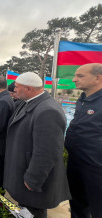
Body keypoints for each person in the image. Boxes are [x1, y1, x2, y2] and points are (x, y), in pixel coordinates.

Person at [4, 72, 70, 218]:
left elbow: (48, 151)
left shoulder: (48, 110)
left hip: (32, 180)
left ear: (29, 89)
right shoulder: (29, 101)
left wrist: (33, 179)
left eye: (17, 87)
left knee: (33, 213)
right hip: (23, 171)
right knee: (24, 211)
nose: (14, 89)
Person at [65, 63, 102, 218]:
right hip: (76, 163)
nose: (74, 79)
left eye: (80, 76)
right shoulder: (82, 99)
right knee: (77, 205)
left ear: (97, 78)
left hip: (96, 168)